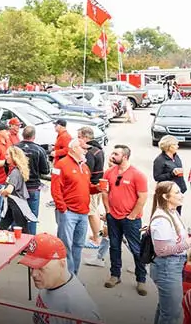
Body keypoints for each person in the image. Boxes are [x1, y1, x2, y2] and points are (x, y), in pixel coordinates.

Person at [17, 233, 112, 324]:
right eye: (31, 267)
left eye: (41, 268)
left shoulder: (81, 309)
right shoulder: (47, 284)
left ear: (62, 264)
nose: (33, 274)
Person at [147, 181, 191, 324]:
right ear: (166, 197)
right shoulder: (162, 219)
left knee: (165, 306)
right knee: (172, 311)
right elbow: (162, 250)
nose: (181, 194)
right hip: (167, 267)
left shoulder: (172, 212)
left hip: (172, 266)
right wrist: (187, 245)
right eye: (177, 192)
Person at [99, 145, 149, 295]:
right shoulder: (108, 172)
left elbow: (143, 197)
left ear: (125, 157)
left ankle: (141, 280)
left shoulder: (137, 175)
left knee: (136, 249)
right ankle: (115, 275)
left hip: (131, 219)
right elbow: (104, 192)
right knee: (114, 247)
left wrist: (133, 215)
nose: (112, 156)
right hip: (113, 217)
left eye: (116, 154)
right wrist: (108, 211)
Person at [50, 138, 102, 275]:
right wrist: (63, 209)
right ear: (74, 148)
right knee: (65, 246)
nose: (86, 151)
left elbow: (87, 187)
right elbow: (56, 189)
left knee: (78, 246)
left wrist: (98, 188)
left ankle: (74, 276)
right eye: (83, 148)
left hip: (83, 213)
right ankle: (66, 276)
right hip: (69, 213)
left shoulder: (84, 167)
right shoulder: (61, 165)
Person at [16, 125, 50, 234]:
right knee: (32, 216)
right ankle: (30, 243)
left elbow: (7, 166)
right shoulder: (39, 150)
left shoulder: (15, 148)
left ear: (22, 135)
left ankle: (16, 240)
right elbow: (45, 170)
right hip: (33, 187)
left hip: (17, 187)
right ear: (34, 136)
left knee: (16, 215)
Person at [0, 146, 38, 232]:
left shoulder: (15, 172)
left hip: (15, 203)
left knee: (22, 229)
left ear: (14, 156)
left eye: (7, 154)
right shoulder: (17, 171)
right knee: (3, 227)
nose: (6, 156)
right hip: (13, 203)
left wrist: (2, 191)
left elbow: (9, 190)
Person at [77, 126, 105, 247]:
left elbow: (87, 171)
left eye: (79, 137)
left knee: (92, 212)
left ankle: (96, 239)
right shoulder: (98, 149)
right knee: (95, 210)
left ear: (86, 137)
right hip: (98, 184)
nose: (77, 140)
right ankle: (96, 235)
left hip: (92, 186)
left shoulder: (89, 153)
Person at [153, 136, 186, 214]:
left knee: (178, 213)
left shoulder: (176, 156)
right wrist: (172, 174)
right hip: (168, 193)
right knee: (169, 213)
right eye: (175, 145)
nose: (178, 146)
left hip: (179, 190)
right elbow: (157, 177)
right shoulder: (159, 160)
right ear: (168, 146)